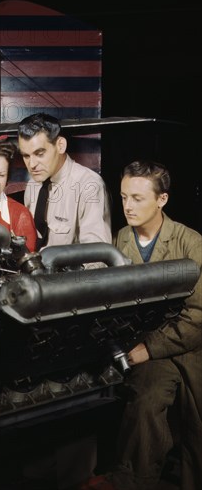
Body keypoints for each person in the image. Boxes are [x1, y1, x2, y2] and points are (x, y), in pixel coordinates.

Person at [81, 160, 202, 490]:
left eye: (137, 198)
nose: (128, 207)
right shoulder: (120, 239)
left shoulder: (191, 243)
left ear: (162, 200)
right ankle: (133, 481)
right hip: (143, 347)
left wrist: (148, 349)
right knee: (147, 400)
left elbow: (198, 316)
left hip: (189, 347)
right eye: (123, 197)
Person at [17, 112, 111, 249]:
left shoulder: (89, 186)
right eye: (26, 156)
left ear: (60, 145)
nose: (32, 165)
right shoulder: (33, 185)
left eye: (40, 154)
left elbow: (98, 256)